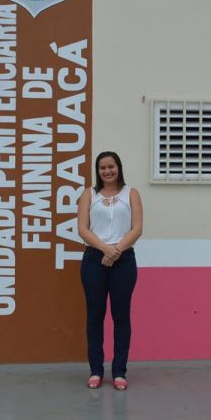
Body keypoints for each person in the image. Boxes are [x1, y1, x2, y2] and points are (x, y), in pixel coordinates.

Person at [77, 151, 143, 391]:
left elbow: (137, 229)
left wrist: (116, 251)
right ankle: (95, 370)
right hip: (94, 260)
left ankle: (119, 372)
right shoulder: (89, 194)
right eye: (102, 167)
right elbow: (83, 229)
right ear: (98, 171)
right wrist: (106, 249)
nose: (107, 171)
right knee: (95, 317)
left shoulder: (131, 194)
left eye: (111, 166)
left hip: (124, 261)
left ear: (118, 167)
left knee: (121, 317)